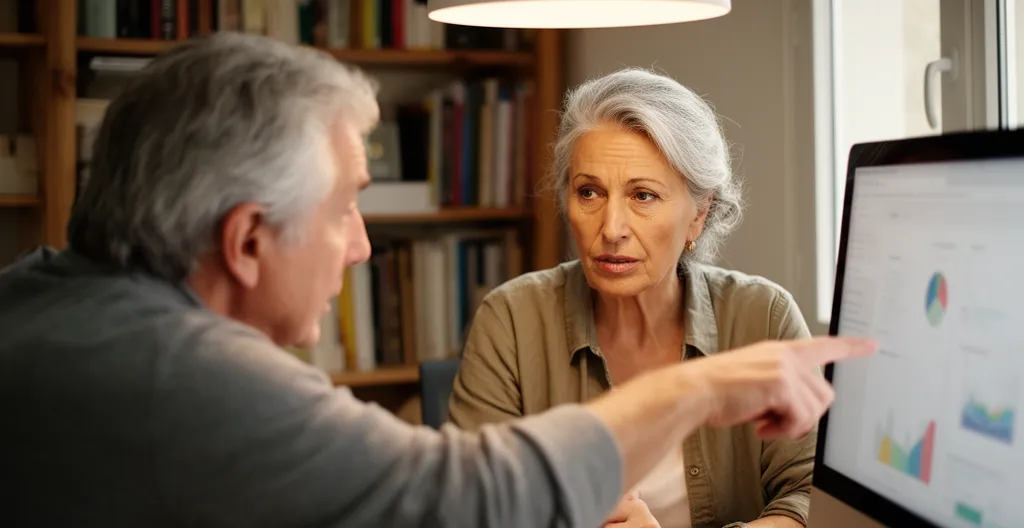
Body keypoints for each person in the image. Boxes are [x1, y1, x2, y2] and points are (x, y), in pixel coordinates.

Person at [0, 34, 873, 527]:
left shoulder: (41, 299)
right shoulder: (181, 378)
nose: (361, 247)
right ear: (248, 241)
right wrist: (700, 388)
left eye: (644, 195)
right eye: (346, 205)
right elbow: (460, 500)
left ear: (698, 212)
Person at [448, 68, 818, 528]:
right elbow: (470, 507)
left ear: (699, 214)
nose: (611, 228)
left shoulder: (765, 319)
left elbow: (808, 497)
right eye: (589, 192)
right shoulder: (510, 321)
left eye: (643, 196)